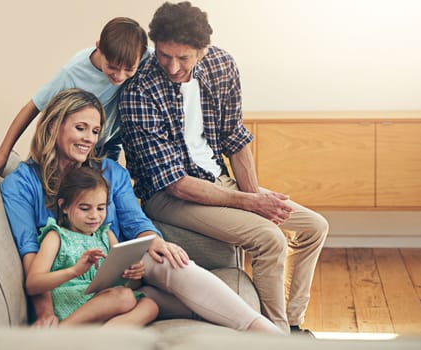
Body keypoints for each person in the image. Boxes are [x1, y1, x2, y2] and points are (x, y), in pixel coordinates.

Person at [119, 1, 329, 335]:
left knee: (314, 227)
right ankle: (276, 337)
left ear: (202, 51)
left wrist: (254, 197)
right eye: (163, 55)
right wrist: (252, 204)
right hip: (169, 196)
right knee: (269, 239)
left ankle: (293, 322)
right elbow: (174, 183)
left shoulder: (221, 65)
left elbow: (235, 139)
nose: (172, 67)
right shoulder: (140, 89)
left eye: (183, 58)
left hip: (217, 180)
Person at [1, 88, 282, 334]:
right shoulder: (21, 184)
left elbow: (134, 221)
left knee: (171, 261)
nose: (88, 139)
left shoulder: (110, 172)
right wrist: (45, 313)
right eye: (80, 128)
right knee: (158, 300)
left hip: (119, 268)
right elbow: (30, 252)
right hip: (68, 281)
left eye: (95, 131)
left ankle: (262, 330)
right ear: (53, 127)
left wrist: (154, 239)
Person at [0, 16, 150, 171]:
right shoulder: (72, 73)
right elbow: (32, 107)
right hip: (66, 146)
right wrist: (1, 157)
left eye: (128, 69)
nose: (119, 76)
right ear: (98, 48)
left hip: (105, 143)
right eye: (112, 67)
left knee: (104, 191)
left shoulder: (142, 55)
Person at [26, 165, 158, 326]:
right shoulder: (56, 236)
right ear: (64, 206)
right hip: (71, 302)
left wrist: (133, 274)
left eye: (101, 208)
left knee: (150, 306)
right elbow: (33, 284)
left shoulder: (106, 235)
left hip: (101, 300)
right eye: (84, 208)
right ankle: (62, 331)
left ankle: (102, 338)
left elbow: (123, 283)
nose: (94, 216)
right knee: (124, 297)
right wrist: (73, 271)